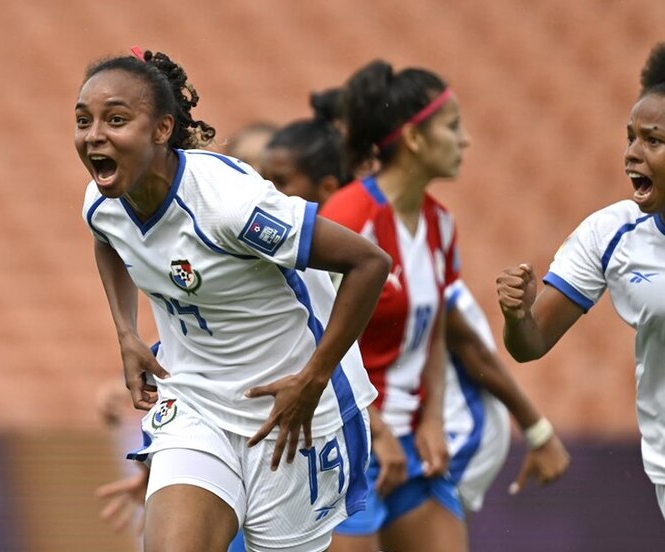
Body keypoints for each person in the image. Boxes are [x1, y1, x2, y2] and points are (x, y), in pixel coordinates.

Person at [76, 47, 391, 551]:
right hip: (197, 401)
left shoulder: (229, 206)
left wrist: (313, 379)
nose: (94, 135)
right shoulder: (103, 202)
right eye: (83, 120)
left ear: (161, 130)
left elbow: (369, 263)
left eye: (115, 119)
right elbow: (106, 238)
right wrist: (126, 332)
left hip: (290, 411)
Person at [265, 94, 568, 552]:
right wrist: (378, 429)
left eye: (278, 180)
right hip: (352, 440)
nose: (266, 193)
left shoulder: (430, 225)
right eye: (452, 127)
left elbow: (452, 338)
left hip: (419, 443)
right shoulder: (321, 234)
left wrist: (434, 418)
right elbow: (313, 348)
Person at [497, 42, 665, 521]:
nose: (632, 154)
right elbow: (530, 344)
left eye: (652, 140)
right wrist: (518, 315)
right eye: (630, 137)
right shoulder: (610, 232)